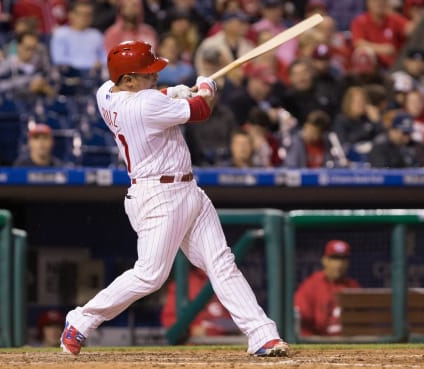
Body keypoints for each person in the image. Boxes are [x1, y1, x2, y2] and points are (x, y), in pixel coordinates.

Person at [60, 40, 289, 358]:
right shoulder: (144, 105)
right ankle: (81, 320)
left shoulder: (106, 92)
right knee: (150, 275)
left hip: (186, 189)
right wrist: (207, 85)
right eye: (147, 73)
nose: (155, 77)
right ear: (128, 80)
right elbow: (202, 110)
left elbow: (154, 97)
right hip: (158, 196)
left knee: (221, 263)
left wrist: (174, 92)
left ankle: (262, 335)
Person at [294, 240, 360, 336]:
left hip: (348, 342)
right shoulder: (311, 285)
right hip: (317, 342)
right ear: (325, 260)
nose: (339, 263)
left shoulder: (353, 286)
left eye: (343, 259)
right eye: (334, 258)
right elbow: (302, 317)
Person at [160, 267, 239, 337]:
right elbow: (169, 321)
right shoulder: (186, 282)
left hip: (228, 338)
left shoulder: (230, 279)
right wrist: (190, 331)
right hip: (197, 344)